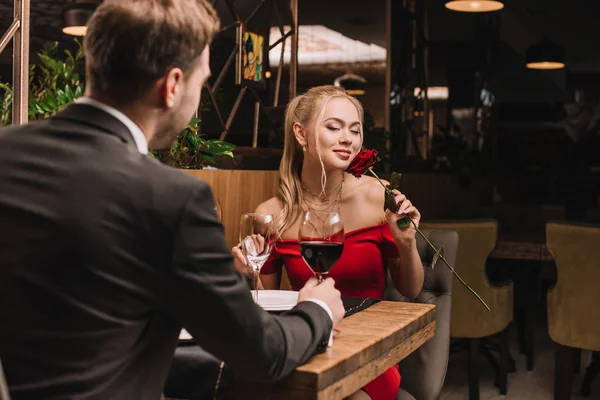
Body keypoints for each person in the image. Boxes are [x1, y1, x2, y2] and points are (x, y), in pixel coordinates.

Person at [0, 1, 345, 399]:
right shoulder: (170, 198)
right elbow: (262, 352)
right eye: (202, 84)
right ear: (173, 86)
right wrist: (316, 310)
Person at [232, 85, 425, 400]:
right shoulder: (271, 214)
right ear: (301, 133)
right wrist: (247, 274)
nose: (347, 138)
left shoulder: (379, 195)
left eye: (355, 130)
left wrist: (406, 242)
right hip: (308, 345)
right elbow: (266, 306)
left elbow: (411, 289)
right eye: (333, 127)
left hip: (370, 350)